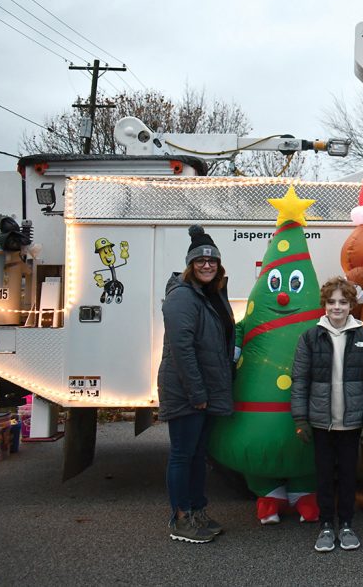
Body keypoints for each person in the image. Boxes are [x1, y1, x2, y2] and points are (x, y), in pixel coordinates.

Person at [291, 276, 363, 552]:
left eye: (343, 302)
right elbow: (299, 380)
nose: (337, 307)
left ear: (352, 304)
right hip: (321, 424)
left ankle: (346, 524)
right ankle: (326, 525)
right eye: (332, 302)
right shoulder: (310, 337)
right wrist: (301, 419)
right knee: (324, 475)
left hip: (352, 424)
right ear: (325, 305)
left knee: (347, 476)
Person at [158, 225, 235, 543]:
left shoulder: (210, 294)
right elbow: (182, 350)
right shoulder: (182, 297)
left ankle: (197, 509)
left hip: (204, 389)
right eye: (201, 261)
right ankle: (180, 519)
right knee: (182, 454)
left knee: (198, 454)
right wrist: (197, 393)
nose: (207, 265)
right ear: (190, 265)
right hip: (187, 390)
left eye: (212, 261)